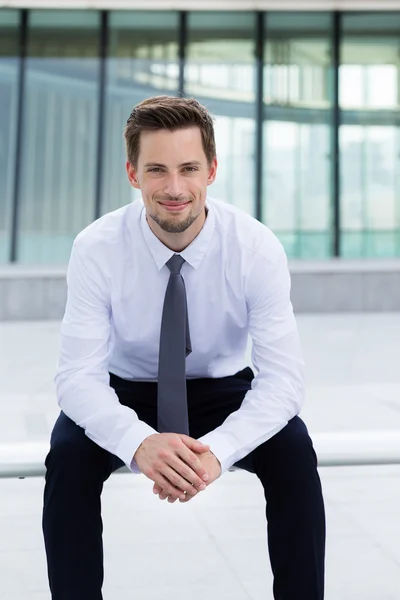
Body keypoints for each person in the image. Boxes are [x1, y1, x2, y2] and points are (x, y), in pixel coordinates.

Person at [42, 95, 326, 600]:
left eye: (188, 168)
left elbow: (284, 381)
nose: (174, 189)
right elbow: (77, 379)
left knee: (294, 452)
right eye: (156, 170)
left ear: (212, 170)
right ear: (132, 173)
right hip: (125, 388)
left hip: (221, 388)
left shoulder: (256, 248)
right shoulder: (96, 248)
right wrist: (136, 442)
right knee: (67, 457)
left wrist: (217, 452)